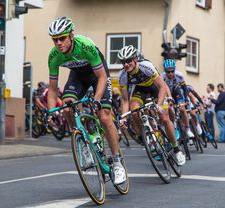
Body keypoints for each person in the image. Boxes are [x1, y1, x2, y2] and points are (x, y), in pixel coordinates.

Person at [47, 16, 126, 184]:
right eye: (55, 40)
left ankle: (118, 162)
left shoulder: (86, 46)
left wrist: (97, 99)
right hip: (77, 76)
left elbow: (103, 77)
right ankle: (82, 142)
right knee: (67, 108)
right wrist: (50, 111)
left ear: (71, 36)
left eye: (62, 38)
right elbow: (53, 90)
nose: (58, 43)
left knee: (104, 115)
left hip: (98, 75)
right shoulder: (54, 56)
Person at [117, 45, 185, 166]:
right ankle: (145, 136)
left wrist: (159, 105)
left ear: (135, 59)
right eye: (123, 62)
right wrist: (124, 117)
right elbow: (125, 99)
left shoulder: (146, 66)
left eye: (128, 61)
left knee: (164, 118)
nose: (126, 64)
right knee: (134, 111)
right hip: (140, 89)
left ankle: (176, 149)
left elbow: (162, 86)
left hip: (155, 87)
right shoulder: (122, 75)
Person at [161, 59, 203, 145]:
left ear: (174, 69)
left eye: (172, 71)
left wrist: (186, 100)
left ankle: (187, 129)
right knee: (169, 109)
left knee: (182, 109)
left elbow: (184, 88)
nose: (170, 74)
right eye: (168, 72)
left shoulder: (179, 75)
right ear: (165, 71)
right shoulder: (162, 77)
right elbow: (160, 90)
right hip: (166, 94)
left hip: (176, 91)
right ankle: (174, 127)